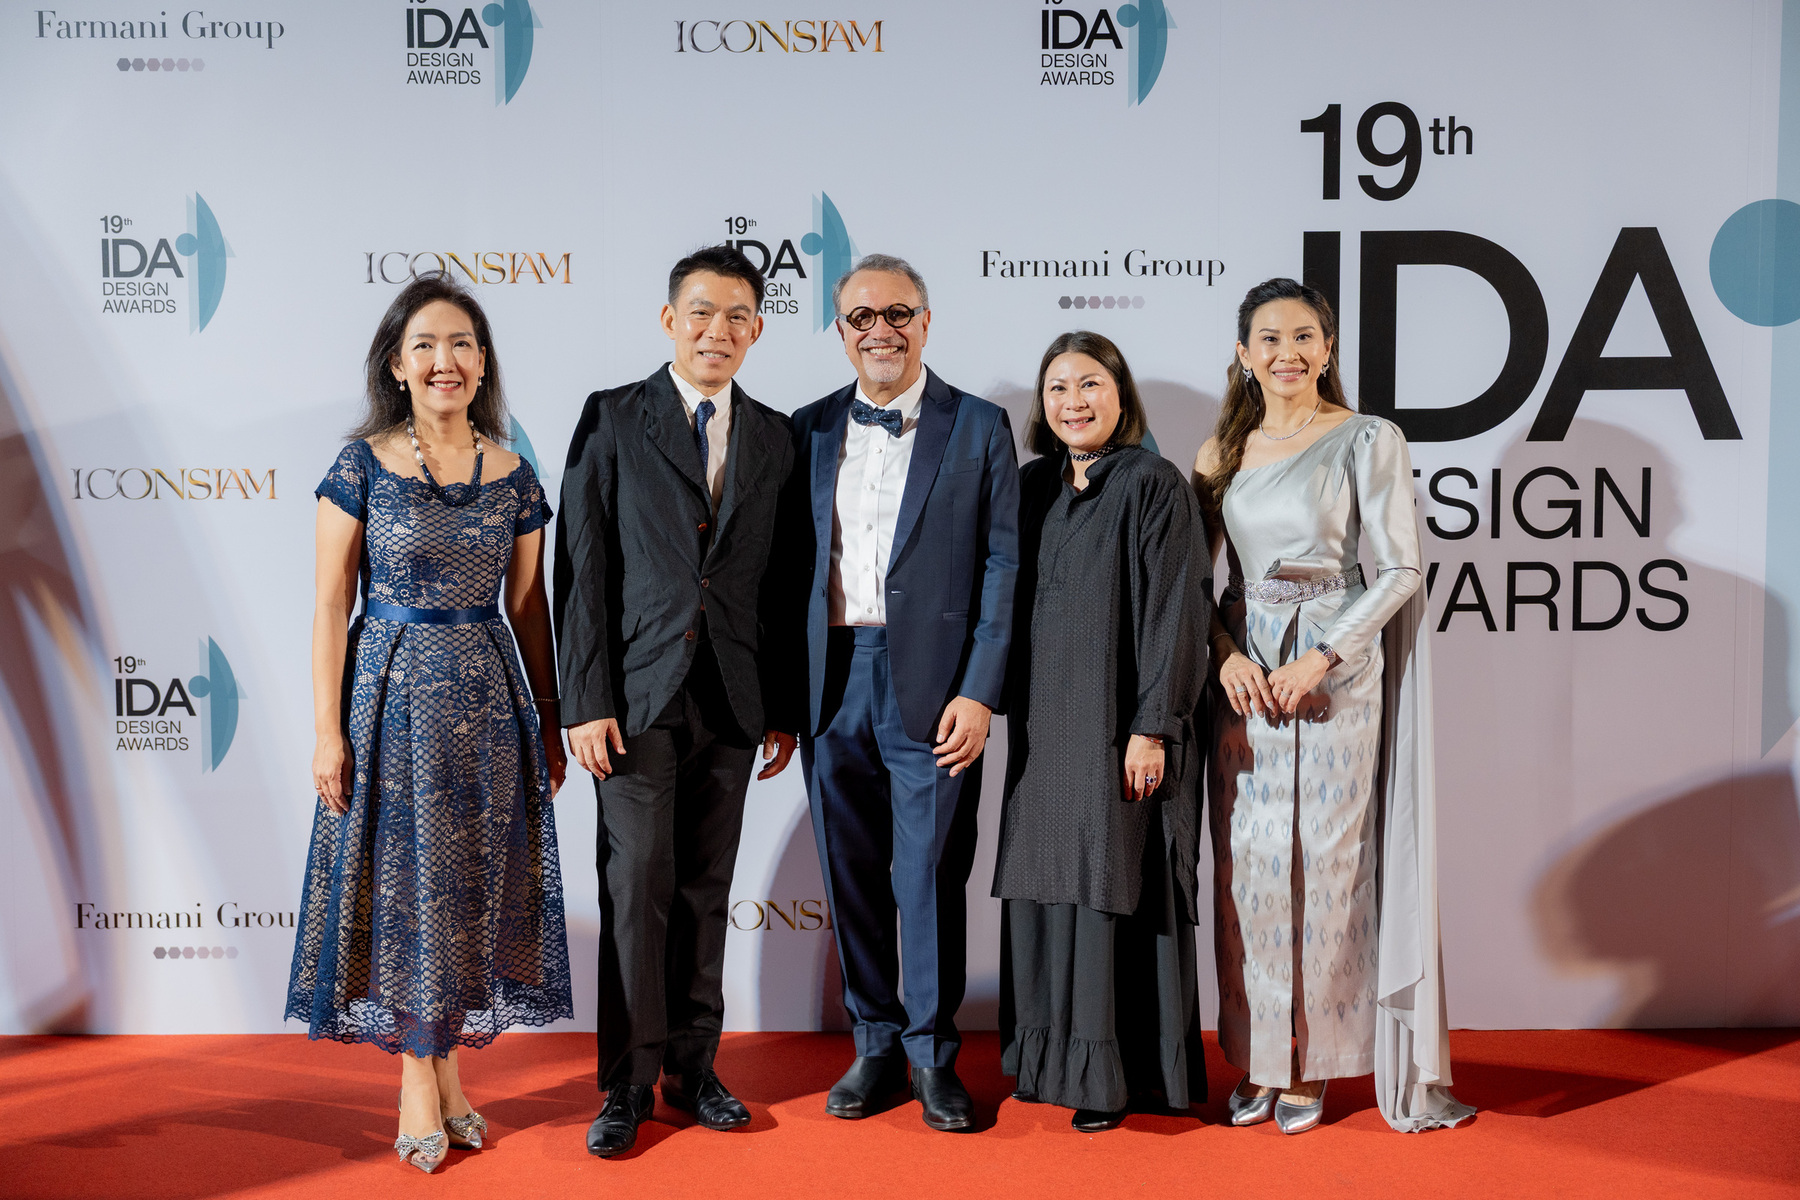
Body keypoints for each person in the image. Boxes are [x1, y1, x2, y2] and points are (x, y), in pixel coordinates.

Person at [287, 273, 572, 1174]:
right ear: (397, 365)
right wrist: (327, 730)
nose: (444, 360)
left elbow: (529, 608)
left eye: (461, 344)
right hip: (389, 699)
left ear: (482, 363)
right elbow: (330, 603)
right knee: (407, 887)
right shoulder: (361, 466)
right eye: (425, 346)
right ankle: (418, 1076)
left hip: (488, 702)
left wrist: (550, 719)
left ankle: (445, 1066)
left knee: (467, 888)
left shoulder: (514, 473)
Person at [1197, 277, 1474, 1134]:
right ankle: (1261, 1058)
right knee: (1248, 870)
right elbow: (1189, 582)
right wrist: (1225, 655)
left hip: (1335, 676)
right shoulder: (1220, 452)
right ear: (1243, 354)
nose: (1287, 352)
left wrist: (1324, 655)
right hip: (1245, 681)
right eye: (1269, 338)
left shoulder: (1366, 437)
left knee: (1328, 866)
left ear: (1327, 350)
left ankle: (1315, 1063)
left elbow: (1401, 568)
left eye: (1304, 337)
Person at [553, 245, 799, 1159]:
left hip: (732, 702)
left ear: (757, 330)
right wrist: (584, 700)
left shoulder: (775, 435)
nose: (716, 331)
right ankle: (627, 1083)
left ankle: (693, 1072)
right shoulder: (614, 416)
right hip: (634, 700)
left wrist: (783, 706)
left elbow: (783, 583)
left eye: (736, 316)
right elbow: (581, 567)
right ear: (669, 320)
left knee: (704, 891)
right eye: (701, 312)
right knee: (636, 890)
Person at [772, 254, 1019, 1133]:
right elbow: (783, 572)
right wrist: (781, 699)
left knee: (930, 874)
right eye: (862, 316)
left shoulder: (981, 425)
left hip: (938, 687)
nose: (881, 330)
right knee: (850, 874)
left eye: (898, 313)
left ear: (925, 320)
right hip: (831, 678)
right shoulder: (805, 428)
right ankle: (874, 1044)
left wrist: (980, 691)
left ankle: (932, 1055)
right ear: (841, 330)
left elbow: (1003, 565)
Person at [992, 331, 1210, 1132]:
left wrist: (1153, 727)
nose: (1073, 401)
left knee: (1107, 883)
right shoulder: (1029, 486)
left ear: (1121, 395)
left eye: (1090, 384)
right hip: (1042, 731)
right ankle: (1045, 1062)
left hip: (1120, 729)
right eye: (1057, 387)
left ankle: (1109, 1077)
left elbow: (1177, 612)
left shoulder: (1153, 483)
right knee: (1044, 885)